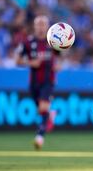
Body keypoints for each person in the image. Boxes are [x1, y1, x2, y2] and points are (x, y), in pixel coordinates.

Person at [16, 15, 59, 150]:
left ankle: (39, 137)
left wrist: (58, 65)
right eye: (38, 24)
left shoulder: (53, 42)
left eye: (43, 24)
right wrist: (30, 62)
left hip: (48, 81)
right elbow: (17, 61)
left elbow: (60, 58)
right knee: (41, 111)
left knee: (42, 108)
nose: (41, 27)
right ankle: (50, 115)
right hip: (34, 83)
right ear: (34, 26)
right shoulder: (27, 42)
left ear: (47, 26)